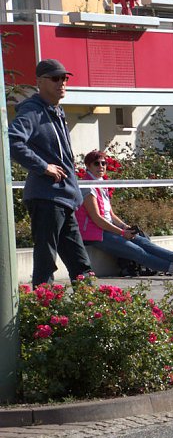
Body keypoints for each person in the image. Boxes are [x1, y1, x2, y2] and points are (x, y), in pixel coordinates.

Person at [8, 59, 94, 285]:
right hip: (46, 199)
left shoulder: (56, 111)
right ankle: (45, 314)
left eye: (65, 78)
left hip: (64, 200)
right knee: (46, 262)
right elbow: (12, 142)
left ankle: (94, 312)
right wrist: (43, 166)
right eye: (55, 78)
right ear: (39, 82)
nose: (62, 83)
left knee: (81, 264)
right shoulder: (33, 111)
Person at [74, 150, 173, 277]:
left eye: (104, 163)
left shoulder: (101, 184)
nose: (101, 166)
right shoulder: (87, 186)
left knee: (142, 241)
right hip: (94, 233)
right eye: (96, 163)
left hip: (106, 229)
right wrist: (121, 233)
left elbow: (111, 214)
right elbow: (97, 218)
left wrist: (125, 227)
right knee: (136, 251)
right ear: (88, 166)